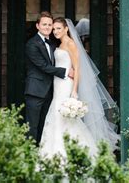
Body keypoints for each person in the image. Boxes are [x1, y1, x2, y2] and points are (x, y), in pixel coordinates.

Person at [39, 17, 119, 159]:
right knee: (57, 115)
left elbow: (77, 69)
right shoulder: (59, 44)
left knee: (64, 115)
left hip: (66, 85)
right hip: (57, 84)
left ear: (66, 29)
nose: (55, 31)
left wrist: (74, 90)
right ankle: (54, 150)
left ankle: (70, 151)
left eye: (58, 28)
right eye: (54, 28)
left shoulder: (71, 44)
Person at [24, 11, 73, 145]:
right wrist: (67, 71)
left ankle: (41, 153)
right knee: (32, 127)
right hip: (35, 92)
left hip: (51, 92)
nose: (47, 27)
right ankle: (30, 155)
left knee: (44, 126)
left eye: (50, 24)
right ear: (37, 26)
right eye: (44, 24)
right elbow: (44, 66)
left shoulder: (52, 44)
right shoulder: (32, 44)